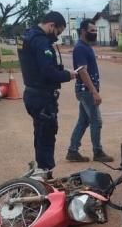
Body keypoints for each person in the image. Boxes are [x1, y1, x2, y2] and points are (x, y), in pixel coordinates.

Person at [18, 11, 75, 178]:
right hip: (42, 96)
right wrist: (68, 75)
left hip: (32, 93)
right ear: (51, 25)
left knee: (41, 132)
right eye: (57, 32)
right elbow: (47, 72)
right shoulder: (40, 41)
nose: (57, 37)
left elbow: (37, 66)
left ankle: (42, 169)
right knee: (46, 134)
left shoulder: (28, 36)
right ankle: (44, 173)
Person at [66, 20, 114, 163]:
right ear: (83, 31)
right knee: (96, 121)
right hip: (86, 91)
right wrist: (94, 91)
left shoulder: (86, 47)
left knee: (83, 121)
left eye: (95, 31)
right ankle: (97, 152)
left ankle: (73, 151)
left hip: (84, 90)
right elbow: (82, 71)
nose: (95, 33)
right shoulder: (80, 48)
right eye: (92, 31)